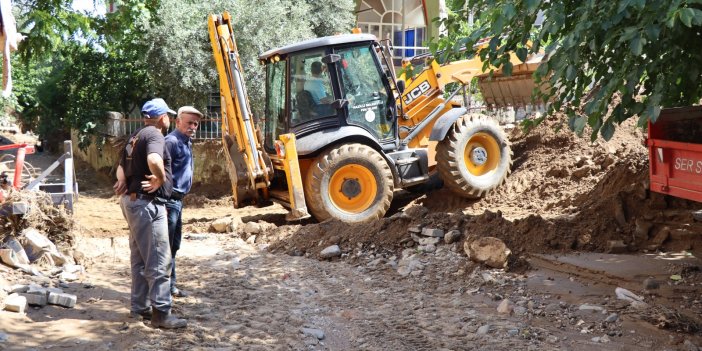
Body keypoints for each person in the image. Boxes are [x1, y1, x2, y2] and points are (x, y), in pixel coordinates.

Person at [113, 98, 187, 329]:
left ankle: (140, 308)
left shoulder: (135, 135)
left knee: (139, 259)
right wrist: (160, 177)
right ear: (162, 117)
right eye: (168, 115)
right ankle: (161, 314)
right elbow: (154, 159)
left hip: (132, 203)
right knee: (158, 260)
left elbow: (120, 168)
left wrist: (123, 181)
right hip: (147, 205)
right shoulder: (155, 134)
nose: (169, 119)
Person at [164, 106, 202, 298]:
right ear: (177, 122)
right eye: (189, 122)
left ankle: (170, 286)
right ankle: (164, 289)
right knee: (166, 246)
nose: (193, 126)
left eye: (195, 123)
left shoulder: (186, 142)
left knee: (174, 244)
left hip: (178, 201)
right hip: (169, 201)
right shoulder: (171, 142)